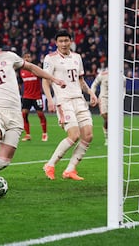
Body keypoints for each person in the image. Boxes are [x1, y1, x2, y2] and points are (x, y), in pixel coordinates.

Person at [0, 31, 66, 194]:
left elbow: (32, 67)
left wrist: (53, 79)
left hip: (15, 114)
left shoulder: (8, 57)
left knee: (4, 161)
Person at [42, 29, 98, 181]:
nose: (64, 44)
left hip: (79, 99)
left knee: (88, 135)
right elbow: (45, 81)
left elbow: (80, 81)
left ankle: (70, 169)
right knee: (74, 135)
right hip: (63, 101)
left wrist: (91, 93)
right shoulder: (50, 58)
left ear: (71, 41)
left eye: (66, 40)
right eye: (61, 41)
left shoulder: (77, 57)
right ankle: (50, 165)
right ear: (56, 43)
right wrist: (50, 100)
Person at [90, 67, 127, 146]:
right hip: (104, 99)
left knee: (113, 119)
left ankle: (113, 138)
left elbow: (123, 88)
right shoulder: (103, 75)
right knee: (107, 118)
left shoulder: (122, 77)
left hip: (115, 100)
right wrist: (93, 95)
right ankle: (107, 138)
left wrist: (122, 98)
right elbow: (94, 84)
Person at [18, 51, 48, 142]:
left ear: (31, 58)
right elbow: (19, 84)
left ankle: (44, 133)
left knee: (40, 114)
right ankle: (28, 135)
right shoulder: (21, 71)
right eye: (25, 57)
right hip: (26, 96)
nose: (27, 59)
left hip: (37, 96)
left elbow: (44, 78)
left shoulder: (35, 69)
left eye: (28, 57)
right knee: (24, 115)